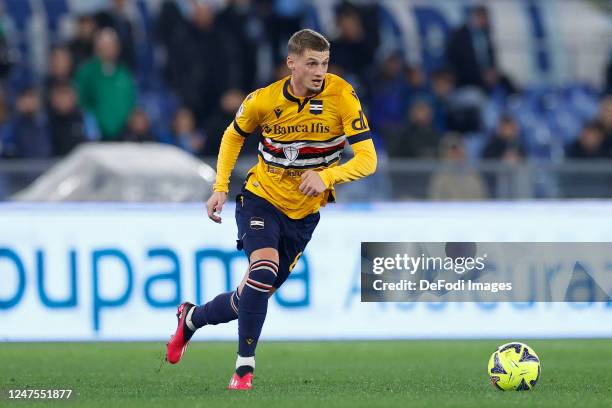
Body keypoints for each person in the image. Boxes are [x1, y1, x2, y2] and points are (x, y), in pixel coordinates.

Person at [165, 29, 377, 390]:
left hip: (304, 216)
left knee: (249, 295)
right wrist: (220, 188)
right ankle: (244, 369)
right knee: (263, 268)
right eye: (311, 63)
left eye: (324, 63)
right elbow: (233, 135)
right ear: (291, 63)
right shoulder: (263, 100)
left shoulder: (341, 96)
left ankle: (192, 318)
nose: (319, 71)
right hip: (260, 197)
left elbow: (369, 160)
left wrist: (328, 176)